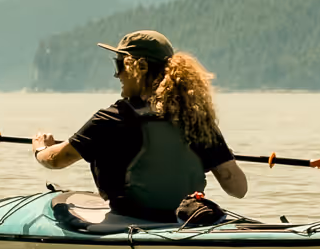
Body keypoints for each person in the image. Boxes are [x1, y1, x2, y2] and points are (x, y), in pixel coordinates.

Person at [30, 29, 247, 220]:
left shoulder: (112, 118)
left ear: (138, 67)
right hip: (186, 218)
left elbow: (57, 160)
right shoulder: (198, 119)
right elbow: (238, 188)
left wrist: (40, 149)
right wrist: (220, 154)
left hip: (131, 217)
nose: (117, 75)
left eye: (119, 65)